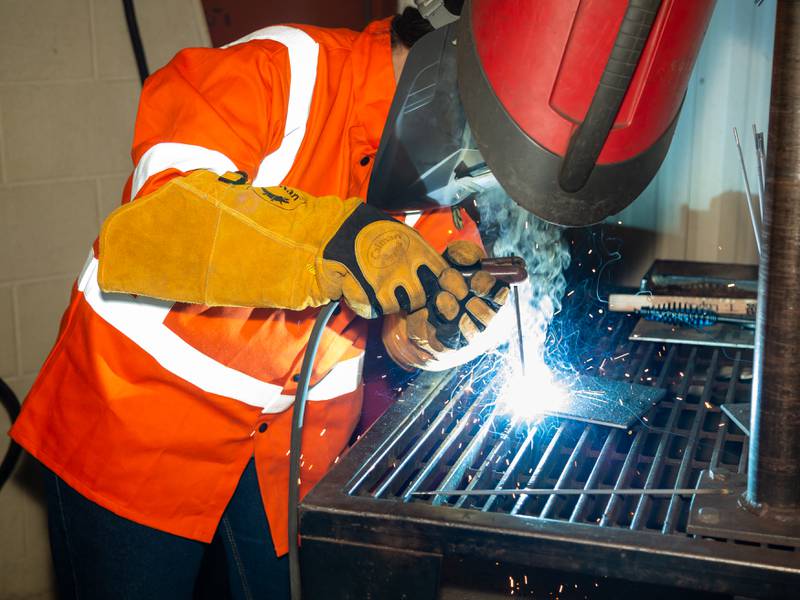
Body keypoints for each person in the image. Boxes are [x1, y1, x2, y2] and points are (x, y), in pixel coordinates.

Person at [9, 8, 507, 599]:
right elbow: (159, 224)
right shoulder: (282, 66)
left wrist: (443, 333)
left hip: (287, 456)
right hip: (139, 424)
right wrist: (330, 238)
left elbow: (404, 337)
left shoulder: (454, 159)